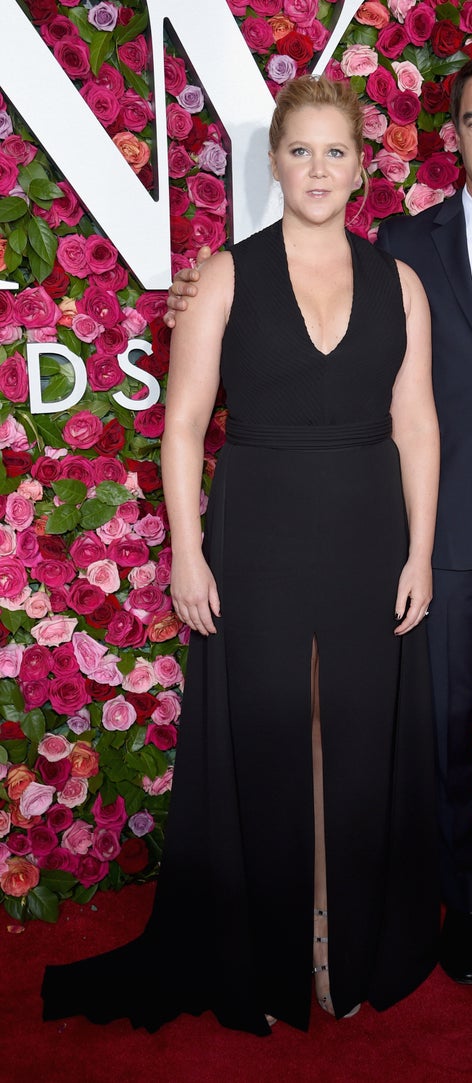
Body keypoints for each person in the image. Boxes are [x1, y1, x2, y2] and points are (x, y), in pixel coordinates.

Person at [166, 49, 472, 987]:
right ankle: (462, 906)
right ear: (451, 137)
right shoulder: (405, 242)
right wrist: (196, 293)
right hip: (438, 538)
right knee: (439, 731)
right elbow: (293, 296)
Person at [42, 75, 440, 1035]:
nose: (317, 168)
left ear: (362, 166)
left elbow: (417, 421)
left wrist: (422, 550)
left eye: (334, 152)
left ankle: (338, 940)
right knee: (271, 729)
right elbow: (182, 427)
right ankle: (267, 947)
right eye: (299, 150)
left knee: (348, 734)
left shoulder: (401, 280)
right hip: (256, 528)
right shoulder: (224, 274)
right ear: (274, 162)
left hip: (366, 531)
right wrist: (188, 554)